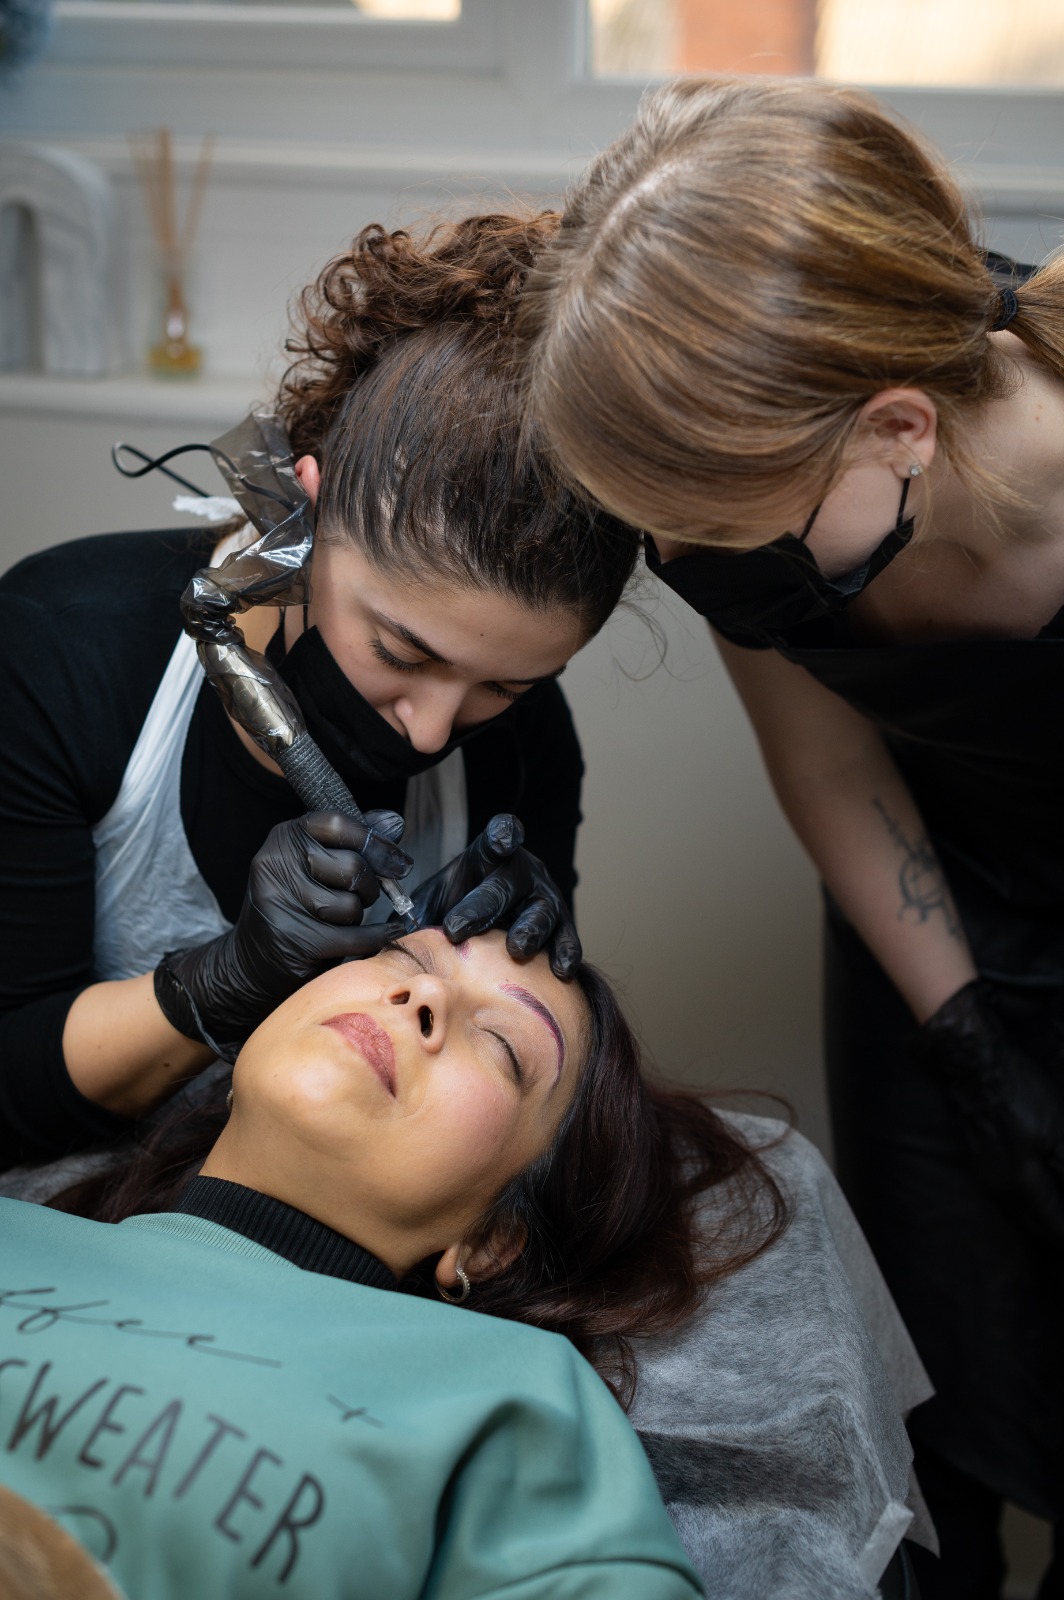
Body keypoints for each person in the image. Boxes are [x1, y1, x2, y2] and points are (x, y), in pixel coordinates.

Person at [520, 76, 1064, 1598]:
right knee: (939, 1378)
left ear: (900, 430)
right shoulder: (743, 495)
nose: (689, 565)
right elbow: (827, 750)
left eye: (720, 527)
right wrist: (966, 1036)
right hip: (929, 909)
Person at [0, 210, 639, 1173]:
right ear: (302, 512)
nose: (431, 733)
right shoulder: (60, 650)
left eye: (503, 682)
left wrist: (530, 984)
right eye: (400, 650)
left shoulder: (524, 740)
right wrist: (215, 987)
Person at [0, 926, 786, 1600]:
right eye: (404, 958)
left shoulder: (516, 1395)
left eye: (504, 1046)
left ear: (490, 1242)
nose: (425, 1000)